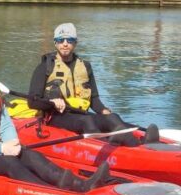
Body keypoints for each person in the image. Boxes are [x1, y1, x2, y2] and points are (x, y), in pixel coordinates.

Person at [0, 45, 109, 192]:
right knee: (10, 163)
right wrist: (2, 149)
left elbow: (5, 124)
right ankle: (50, 193)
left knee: (31, 156)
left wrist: (13, 143)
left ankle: (81, 185)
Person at [26, 23, 159, 146]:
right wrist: (52, 102)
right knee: (87, 122)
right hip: (55, 116)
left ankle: (142, 143)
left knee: (112, 117)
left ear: (75, 43)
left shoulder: (85, 66)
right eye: (61, 40)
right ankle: (123, 148)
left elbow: (93, 98)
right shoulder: (45, 67)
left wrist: (103, 111)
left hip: (80, 113)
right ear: (55, 43)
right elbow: (32, 102)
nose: (65, 44)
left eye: (69, 40)